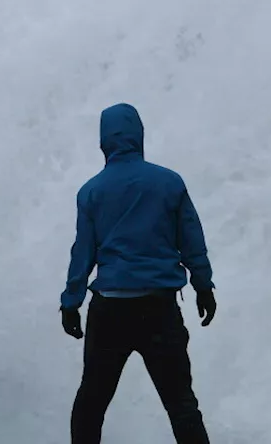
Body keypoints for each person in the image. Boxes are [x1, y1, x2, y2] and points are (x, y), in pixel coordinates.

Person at [60, 102, 217, 444]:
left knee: (92, 402)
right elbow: (192, 241)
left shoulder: (92, 191)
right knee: (181, 404)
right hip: (159, 310)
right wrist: (203, 287)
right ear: (139, 136)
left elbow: (82, 253)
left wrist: (71, 302)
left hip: (109, 312)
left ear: (104, 142)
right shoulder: (169, 182)